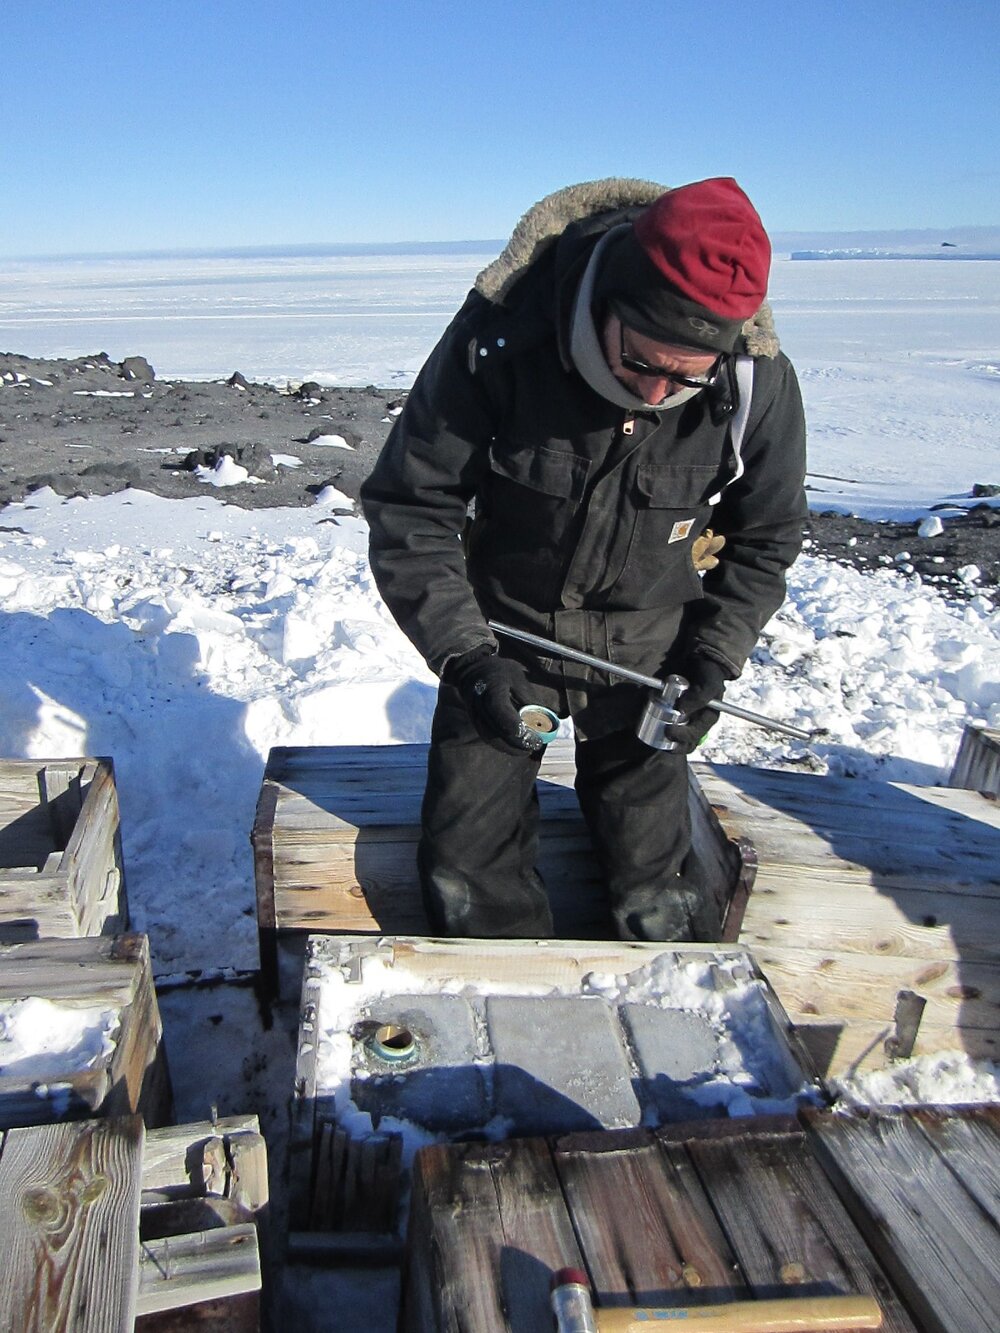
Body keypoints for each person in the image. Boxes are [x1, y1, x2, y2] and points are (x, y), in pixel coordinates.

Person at [360, 176, 806, 942]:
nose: (658, 393)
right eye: (642, 362)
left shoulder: (754, 382)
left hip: (650, 651)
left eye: (686, 376)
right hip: (506, 638)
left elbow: (767, 537)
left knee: (657, 888)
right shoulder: (501, 342)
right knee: (467, 875)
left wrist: (712, 659)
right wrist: (468, 659)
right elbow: (411, 507)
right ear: (608, 302)